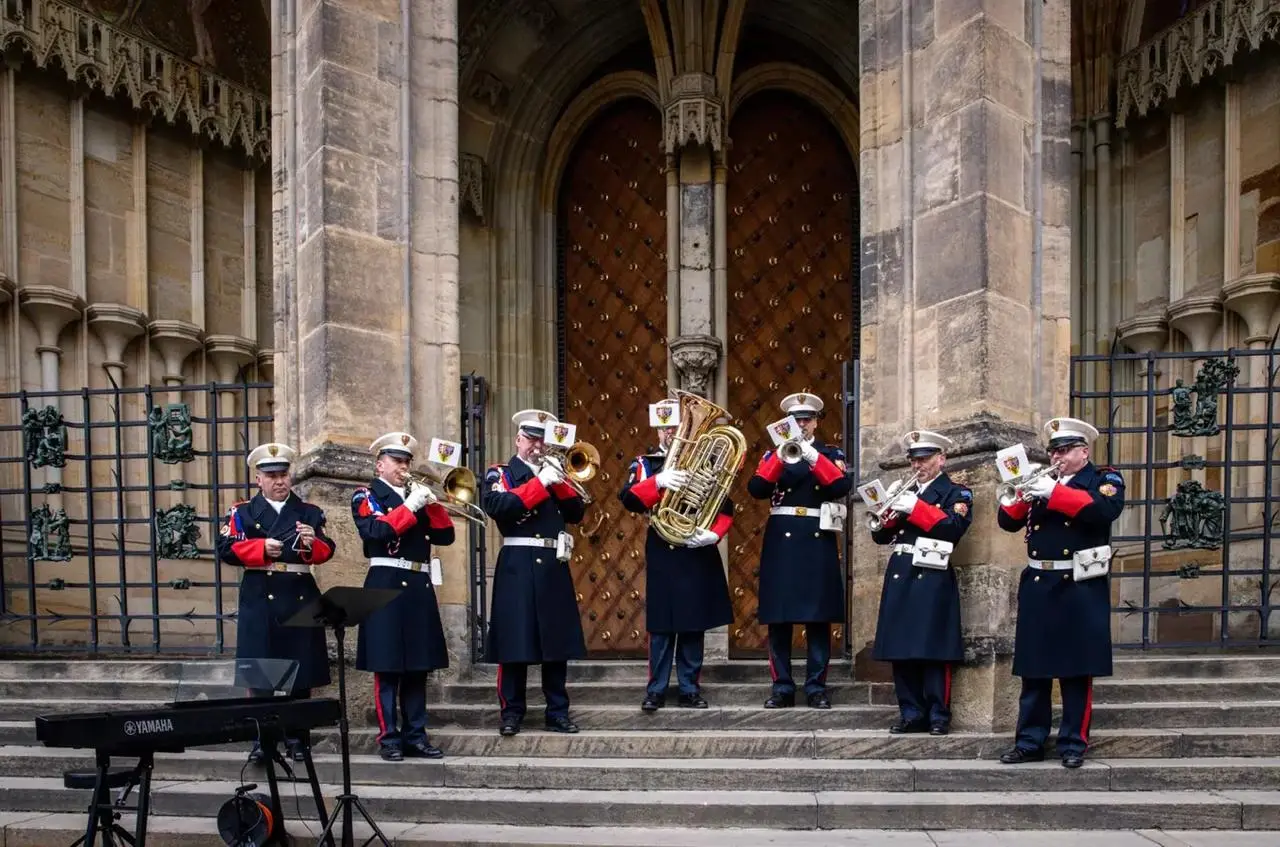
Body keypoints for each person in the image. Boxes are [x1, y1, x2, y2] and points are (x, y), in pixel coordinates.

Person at [997, 417, 1124, 769]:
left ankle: (1073, 743)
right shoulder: (1042, 480)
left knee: (1075, 670)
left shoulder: (1104, 479)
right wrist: (1023, 491)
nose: (1058, 456)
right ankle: (1029, 742)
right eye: (1054, 450)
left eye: (1065, 450)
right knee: (1034, 671)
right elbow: (1007, 522)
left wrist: (1055, 493)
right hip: (1040, 584)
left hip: (1079, 586)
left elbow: (1103, 511)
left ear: (1084, 451)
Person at [215, 443, 335, 764]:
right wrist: (259, 548)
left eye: (283, 474)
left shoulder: (308, 511)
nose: (280, 481)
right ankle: (263, 742)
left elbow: (327, 549)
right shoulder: (241, 512)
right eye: (272, 476)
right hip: (260, 594)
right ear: (258, 479)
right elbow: (225, 548)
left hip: (298, 593)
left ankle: (298, 740)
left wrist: (312, 543)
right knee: (262, 678)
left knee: (300, 677)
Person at [619, 399, 735, 711]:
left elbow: (726, 504)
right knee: (662, 625)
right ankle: (656, 689)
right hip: (664, 548)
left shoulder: (706, 459)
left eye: (675, 426)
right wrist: (658, 482)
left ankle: (689, 689)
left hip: (697, 547)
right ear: (657, 431)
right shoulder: (645, 464)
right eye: (665, 428)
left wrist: (714, 534)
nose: (671, 433)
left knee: (692, 623)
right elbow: (628, 499)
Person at [482, 410, 589, 736]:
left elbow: (577, 512)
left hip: (552, 562)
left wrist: (560, 482)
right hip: (517, 560)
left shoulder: (557, 474)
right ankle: (511, 712)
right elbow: (498, 507)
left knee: (555, 643)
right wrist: (539, 483)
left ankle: (557, 711)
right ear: (518, 439)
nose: (537, 446)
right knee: (515, 641)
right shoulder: (501, 473)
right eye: (531, 439)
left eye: (542, 440)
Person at [352, 432, 455, 762]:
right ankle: (389, 738)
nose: (404, 467)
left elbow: (446, 535)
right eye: (397, 461)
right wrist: (410, 505)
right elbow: (376, 532)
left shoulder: (417, 495)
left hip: (418, 582)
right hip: (385, 580)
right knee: (388, 667)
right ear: (380, 464)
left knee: (417, 667)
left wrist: (433, 503)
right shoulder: (366, 496)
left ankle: (416, 735)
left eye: (407, 461)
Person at [748, 392, 852, 709]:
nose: (802, 424)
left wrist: (810, 456)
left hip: (816, 537)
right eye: (797, 420)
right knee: (779, 618)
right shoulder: (774, 454)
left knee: (817, 618)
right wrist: (781, 457)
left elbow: (840, 487)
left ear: (816, 422)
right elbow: (757, 489)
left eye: (807, 419)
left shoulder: (830, 453)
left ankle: (816, 687)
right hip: (783, 540)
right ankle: (782, 687)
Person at [869, 430, 972, 735]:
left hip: (932, 573)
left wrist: (915, 508)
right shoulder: (904, 491)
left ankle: (938, 714)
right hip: (902, 570)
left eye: (925, 458)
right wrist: (887, 512)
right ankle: (911, 712)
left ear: (942, 459)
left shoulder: (957, 493)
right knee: (901, 646)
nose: (918, 465)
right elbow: (879, 535)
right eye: (914, 460)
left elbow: (953, 528)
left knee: (933, 647)